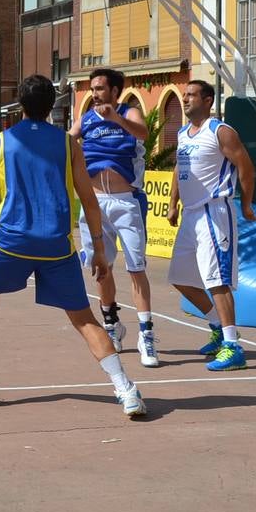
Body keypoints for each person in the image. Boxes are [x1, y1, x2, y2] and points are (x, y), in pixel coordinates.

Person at [0, 74, 146, 418]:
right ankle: (126, 390)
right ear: (52, 106)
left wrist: (6, 229)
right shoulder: (68, 144)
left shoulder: (1, 142)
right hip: (56, 245)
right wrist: (100, 250)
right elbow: (90, 202)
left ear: (20, 104)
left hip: (11, 240)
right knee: (84, 319)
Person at [69, 68, 158, 367]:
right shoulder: (87, 118)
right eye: (92, 89)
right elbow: (67, 142)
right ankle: (112, 324)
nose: (94, 94)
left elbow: (144, 134)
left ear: (115, 90)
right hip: (95, 203)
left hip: (126, 203)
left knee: (136, 269)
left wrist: (116, 119)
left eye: (99, 88)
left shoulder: (129, 113)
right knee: (101, 268)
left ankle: (146, 335)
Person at [166, 80, 256, 372]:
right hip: (190, 215)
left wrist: (246, 204)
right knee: (180, 278)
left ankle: (233, 347)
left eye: (191, 95)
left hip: (214, 212)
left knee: (217, 280)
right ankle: (218, 327)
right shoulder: (183, 133)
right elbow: (180, 169)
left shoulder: (220, 131)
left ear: (207, 100)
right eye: (184, 95)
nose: (185, 99)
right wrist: (172, 204)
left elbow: (246, 165)